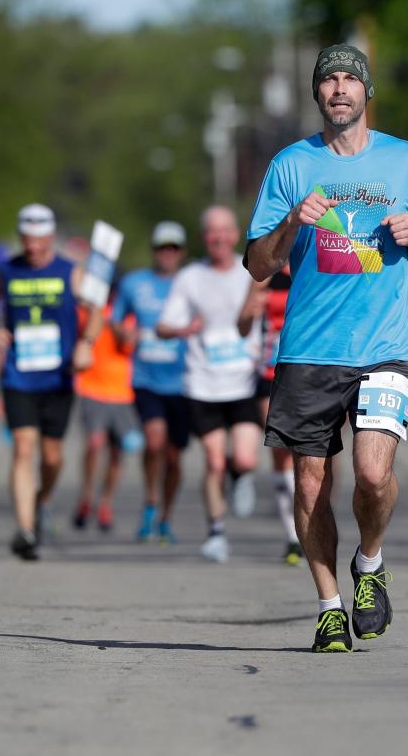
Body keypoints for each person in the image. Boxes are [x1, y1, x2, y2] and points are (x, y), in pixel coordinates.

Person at [245, 44, 408, 652]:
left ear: (366, 93)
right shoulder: (290, 165)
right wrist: (292, 224)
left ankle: (371, 560)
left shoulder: (406, 160)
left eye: (349, 80)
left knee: (371, 471)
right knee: (310, 485)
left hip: (384, 343)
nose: (340, 89)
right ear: (317, 94)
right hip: (309, 347)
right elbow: (258, 266)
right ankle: (330, 604)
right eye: (329, 80)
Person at [0, 203, 99, 561]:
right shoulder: (7, 269)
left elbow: (95, 311)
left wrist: (86, 345)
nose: (32, 248)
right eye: (27, 240)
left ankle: (42, 498)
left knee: (52, 456)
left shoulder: (70, 271)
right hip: (18, 375)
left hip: (58, 376)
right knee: (23, 447)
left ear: (50, 237)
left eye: (39, 241)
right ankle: (26, 529)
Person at [156, 206, 262, 563]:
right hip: (203, 384)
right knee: (214, 462)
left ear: (235, 235)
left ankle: (240, 475)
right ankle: (216, 531)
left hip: (243, 382)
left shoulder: (253, 271)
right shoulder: (190, 277)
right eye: (212, 232)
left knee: (245, 458)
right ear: (205, 238)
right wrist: (184, 329)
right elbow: (162, 326)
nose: (219, 238)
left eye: (225, 231)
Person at [112, 221, 191, 544]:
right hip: (145, 378)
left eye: (173, 248)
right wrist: (123, 333)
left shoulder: (192, 283)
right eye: (162, 248)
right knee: (154, 440)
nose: (167, 254)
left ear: (182, 252)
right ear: (154, 251)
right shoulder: (134, 283)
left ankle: (166, 515)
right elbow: (115, 318)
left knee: (173, 455)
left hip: (185, 380)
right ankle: (150, 501)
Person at [238, 264, 304, 565]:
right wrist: (253, 304)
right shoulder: (267, 270)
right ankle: (293, 535)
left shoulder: (317, 256)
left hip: (311, 366)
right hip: (270, 368)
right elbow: (242, 325)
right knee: (281, 447)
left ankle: (312, 523)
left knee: (314, 453)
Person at [72, 294, 139, 533]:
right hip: (91, 388)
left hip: (122, 393)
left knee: (117, 452)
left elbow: (129, 343)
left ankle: (106, 502)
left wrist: (114, 323)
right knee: (94, 442)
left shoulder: (127, 315)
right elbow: (78, 334)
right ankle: (87, 496)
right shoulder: (87, 310)